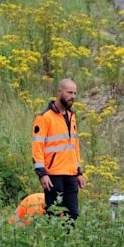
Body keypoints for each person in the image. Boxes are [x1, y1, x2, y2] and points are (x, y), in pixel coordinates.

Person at [32, 78, 85, 220]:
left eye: (75, 93)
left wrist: (79, 172)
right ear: (59, 92)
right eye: (69, 92)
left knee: (73, 214)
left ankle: (69, 241)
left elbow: (75, 146)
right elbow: (37, 147)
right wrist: (42, 174)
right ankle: (52, 241)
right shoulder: (44, 118)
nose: (73, 96)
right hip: (53, 175)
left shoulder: (71, 116)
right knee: (53, 214)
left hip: (71, 174)